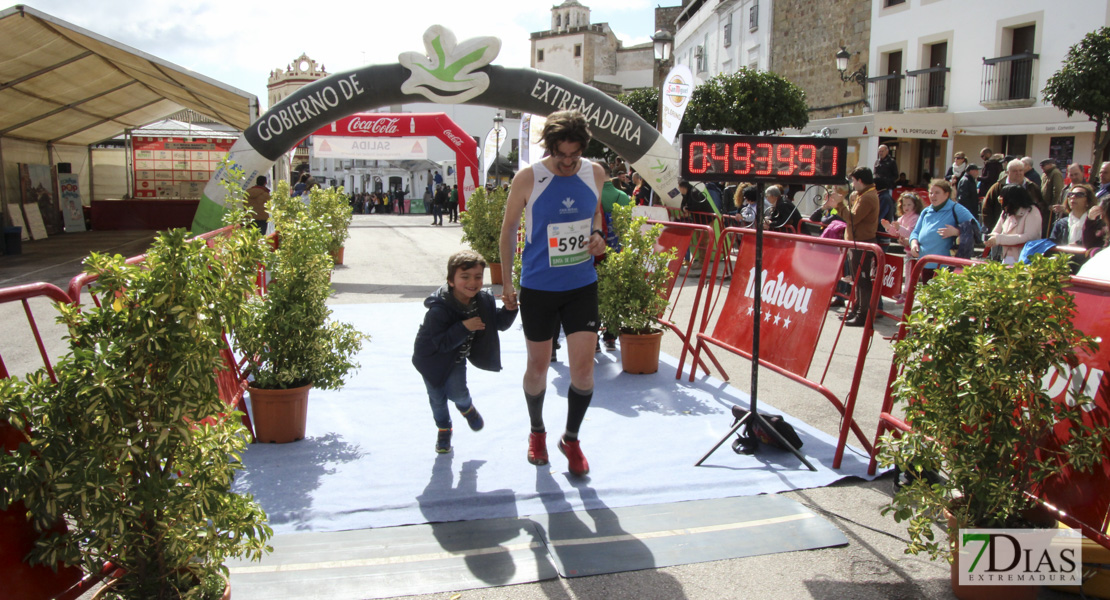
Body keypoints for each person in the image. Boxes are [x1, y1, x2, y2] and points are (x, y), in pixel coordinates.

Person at [498, 110, 607, 477]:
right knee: (538, 366)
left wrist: (597, 236)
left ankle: (571, 439)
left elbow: (595, 215)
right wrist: (508, 284)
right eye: (561, 155)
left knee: (584, 371)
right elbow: (510, 228)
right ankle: (537, 432)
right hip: (539, 287)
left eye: (574, 156)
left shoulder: (595, 172)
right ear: (549, 148)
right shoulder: (529, 177)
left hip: (581, 285)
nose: (567, 162)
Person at [412, 250, 518, 453]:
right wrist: (464, 327)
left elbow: (499, 323)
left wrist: (510, 309)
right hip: (430, 361)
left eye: (478, 277)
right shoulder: (439, 310)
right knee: (437, 399)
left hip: (457, 358)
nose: (473, 282)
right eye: (465, 277)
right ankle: (444, 429)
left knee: (459, 393)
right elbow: (441, 344)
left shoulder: (482, 301)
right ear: (451, 281)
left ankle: (466, 407)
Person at [907, 179, 978, 283]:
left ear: (946, 194)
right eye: (931, 193)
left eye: (937, 193)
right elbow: (915, 232)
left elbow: (976, 228)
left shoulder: (956, 209)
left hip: (945, 266)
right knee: (927, 297)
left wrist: (956, 231)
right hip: (926, 262)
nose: (933, 196)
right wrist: (913, 243)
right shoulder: (926, 211)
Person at [842, 167, 880, 327]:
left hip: (862, 242)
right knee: (857, 280)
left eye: (853, 180)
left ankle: (862, 314)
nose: (852, 184)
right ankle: (856, 309)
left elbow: (853, 218)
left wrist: (839, 205)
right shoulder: (863, 195)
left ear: (860, 180)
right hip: (856, 242)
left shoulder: (868, 198)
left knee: (863, 280)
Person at [982, 159, 1045, 235]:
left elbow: (1041, 205)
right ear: (1007, 172)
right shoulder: (997, 188)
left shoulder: (1032, 187)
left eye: (1021, 170)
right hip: (1002, 231)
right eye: (1015, 171)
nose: (1018, 173)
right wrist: (993, 227)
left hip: (1025, 231)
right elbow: (986, 208)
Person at [985, 184, 1042, 266]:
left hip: (1024, 259)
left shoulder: (1032, 211)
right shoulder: (1006, 212)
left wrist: (1000, 239)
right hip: (1005, 257)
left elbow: (1030, 236)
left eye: (1001, 200)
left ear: (1010, 199)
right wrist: (990, 238)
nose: (1001, 203)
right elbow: (996, 231)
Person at [882, 192, 923, 303]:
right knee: (909, 272)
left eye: (909, 205)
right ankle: (906, 293)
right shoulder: (902, 218)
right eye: (904, 205)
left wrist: (899, 228)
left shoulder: (915, 218)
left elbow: (910, 234)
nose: (906, 207)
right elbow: (895, 233)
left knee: (912, 273)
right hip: (908, 250)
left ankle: (908, 294)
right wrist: (888, 228)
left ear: (915, 205)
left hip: (915, 250)